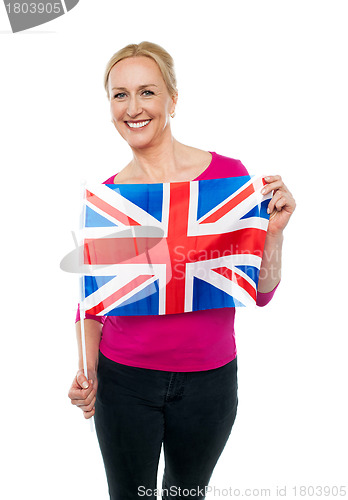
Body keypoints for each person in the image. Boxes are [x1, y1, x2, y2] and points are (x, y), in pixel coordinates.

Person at [68, 41, 296, 500]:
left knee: (185, 494)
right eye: (120, 94)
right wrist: (86, 369)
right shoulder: (111, 198)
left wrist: (273, 233)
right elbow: (94, 300)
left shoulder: (228, 180)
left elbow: (261, 290)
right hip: (125, 381)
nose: (133, 107)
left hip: (209, 382)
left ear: (173, 99)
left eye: (147, 92)